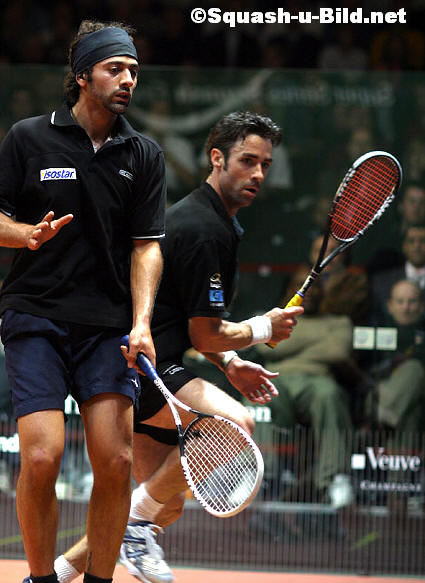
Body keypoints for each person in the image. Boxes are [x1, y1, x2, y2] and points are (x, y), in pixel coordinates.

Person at [49, 111, 304, 583]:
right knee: (237, 424)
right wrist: (262, 329)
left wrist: (229, 361)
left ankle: (56, 575)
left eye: (265, 165)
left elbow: (193, 323)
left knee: (161, 505)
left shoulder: (208, 221)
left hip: (137, 363)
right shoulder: (205, 228)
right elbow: (205, 334)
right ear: (216, 158)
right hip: (140, 365)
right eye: (247, 161)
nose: (258, 174)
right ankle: (134, 525)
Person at [0, 20, 166, 583]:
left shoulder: (143, 154)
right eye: (115, 69)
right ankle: (42, 579)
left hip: (108, 327)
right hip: (36, 314)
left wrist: (142, 322)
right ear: (81, 76)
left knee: (116, 462)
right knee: (41, 457)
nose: (128, 80)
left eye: (134, 71)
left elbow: (147, 247)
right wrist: (26, 235)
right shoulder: (28, 137)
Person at [256, 266, 360, 508]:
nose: (309, 291)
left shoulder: (339, 322)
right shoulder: (272, 318)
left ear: (324, 290)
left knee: (329, 394)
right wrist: (320, 339)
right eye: (301, 285)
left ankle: (334, 479)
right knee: (258, 393)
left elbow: (338, 351)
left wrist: (287, 342)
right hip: (278, 380)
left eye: (315, 286)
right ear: (289, 290)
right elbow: (263, 347)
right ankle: (257, 476)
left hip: (317, 381)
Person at [370, 279, 425, 432]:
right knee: (410, 411)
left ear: (422, 306)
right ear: (390, 306)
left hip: (411, 395)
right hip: (375, 396)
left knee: (414, 369)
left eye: (412, 302)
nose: (406, 308)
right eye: (400, 301)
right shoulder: (375, 331)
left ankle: (382, 424)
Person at [369, 224, 425, 324]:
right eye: (411, 241)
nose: (417, 246)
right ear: (404, 246)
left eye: (422, 241)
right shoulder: (382, 282)